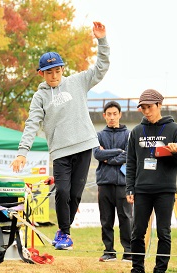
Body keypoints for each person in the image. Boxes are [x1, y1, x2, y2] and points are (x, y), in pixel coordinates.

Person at [11, 21, 110, 250]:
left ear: (62, 69)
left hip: (84, 145)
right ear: (41, 73)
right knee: (62, 191)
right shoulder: (40, 97)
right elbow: (31, 124)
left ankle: (63, 230)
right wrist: (22, 153)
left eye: (57, 70)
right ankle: (65, 233)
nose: (54, 75)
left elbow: (101, 68)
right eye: (48, 72)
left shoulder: (77, 82)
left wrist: (102, 40)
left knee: (75, 194)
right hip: (60, 150)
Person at [125, 89, 177, 273]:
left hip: (165, 190)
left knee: (164, 232)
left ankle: (160, 272)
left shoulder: (175, 130)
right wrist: (130, 187)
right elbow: (131, 162)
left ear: (159, 106)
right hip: (142, 189)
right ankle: (137, 269)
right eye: (143, 108)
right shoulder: (136, 132)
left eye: (150, 107)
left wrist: (176, 152)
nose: (146, 111)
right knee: (137, 231)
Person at [93, 101, 132, 262]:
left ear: (120, 115)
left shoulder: (128, 134)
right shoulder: (99, 135)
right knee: (106, 219)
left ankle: (129, 252)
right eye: (108, 114)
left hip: (123, 183)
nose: (112, 117)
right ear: (104, 116)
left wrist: (108, 158)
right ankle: (109, 251)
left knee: (126, 218)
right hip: (104, 183)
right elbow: (97, 154)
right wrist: (117, 152)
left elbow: (129, 156)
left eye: (115, 114)